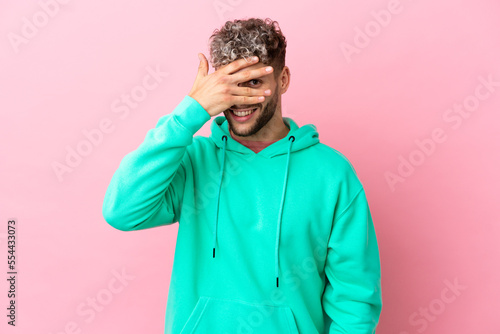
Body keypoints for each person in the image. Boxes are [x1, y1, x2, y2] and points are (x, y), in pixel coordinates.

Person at [102, 17, 382, 334]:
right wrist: (188, 114)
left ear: (283, 79)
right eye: (230, 84)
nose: (241, 100)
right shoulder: (193, 160)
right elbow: (121, 211)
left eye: (253, 83)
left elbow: (354, 298)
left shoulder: (332, 175)